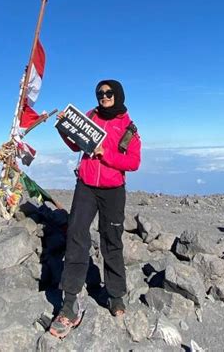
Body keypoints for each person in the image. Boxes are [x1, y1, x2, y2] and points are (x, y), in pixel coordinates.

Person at [50, 79, 141, 339]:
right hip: (86, 186)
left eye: (109, 93)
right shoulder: (89, 117)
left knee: (111, 240)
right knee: (76, 236)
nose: (104, 96)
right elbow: (76, 145)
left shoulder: (129, 128)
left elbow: (134, 162)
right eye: (100, 93)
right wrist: (63, 127)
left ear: (119, 95)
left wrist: (105, 154)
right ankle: (69, 303)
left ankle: (115, 295)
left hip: (113, 190)